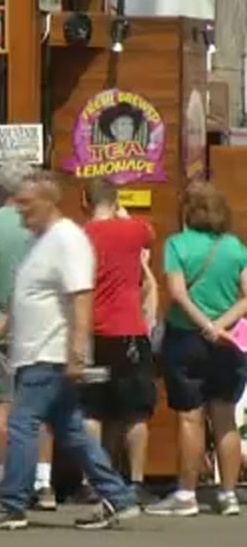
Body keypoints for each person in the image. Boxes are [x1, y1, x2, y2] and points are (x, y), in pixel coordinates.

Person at [0, 171, 137, 531]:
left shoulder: (68, 240)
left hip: (50, 353)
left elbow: (81, 295)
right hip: (33, 353)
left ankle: (11, 502)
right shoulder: (38, 242)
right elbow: (18, 302)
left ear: (48, 201)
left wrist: (77, 349)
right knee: (70, 430)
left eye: (27, 204)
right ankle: (118, 497)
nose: (20, 211)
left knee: (22, 422)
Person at [145, 181, 247, 518]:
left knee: (190, 419)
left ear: (188, 211)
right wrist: (220, 324)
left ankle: (187, 495)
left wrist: (204, 324)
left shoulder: (177, 245)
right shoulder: (234, 247)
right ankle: (229, 495)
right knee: (225, 418)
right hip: (227, 341)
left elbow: (176, 292)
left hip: (187, 338)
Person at [0, 163, 57, 512]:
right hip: (40, 323)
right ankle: (44, 483)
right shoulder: (43, 226)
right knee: (41, 409)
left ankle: (5, 482)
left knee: (2, 408)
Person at [79, 179, 157, 497]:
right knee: (135, 412)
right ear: (115, 201)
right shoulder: (135, 230)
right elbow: (147, 237)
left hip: (93, 334)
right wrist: (121, 214)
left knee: (93, 409)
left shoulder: (81, 237)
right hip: (129, 333)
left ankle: (90, 482)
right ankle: (136, 481)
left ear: (85, 201)